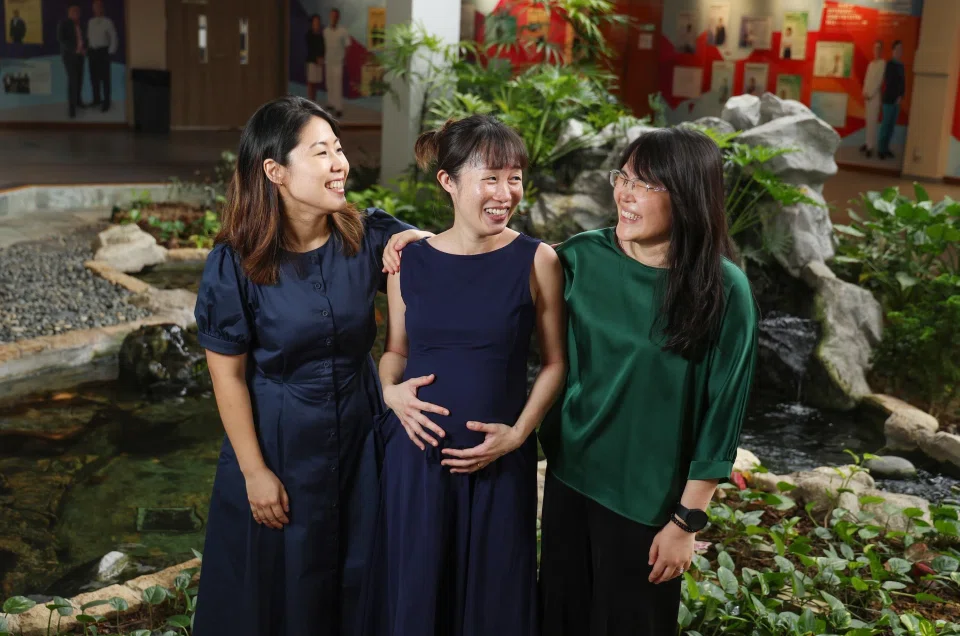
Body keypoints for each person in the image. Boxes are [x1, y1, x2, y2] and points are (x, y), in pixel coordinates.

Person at [191, 96, 432, 636]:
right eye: (321, 152)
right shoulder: (234, 262)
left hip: (360, 442)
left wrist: (416, 240)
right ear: (274, 171)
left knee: (358, 579)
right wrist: (255, 472)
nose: (340, 163)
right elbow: (226, 375)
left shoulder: (366, 236)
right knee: (277, 590)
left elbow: (432, 269)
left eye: (339, 149)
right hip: (279, 447)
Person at [538, 127, 758, 635]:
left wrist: (686, 522)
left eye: (646, 185)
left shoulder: (724, 290)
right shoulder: (580, 257)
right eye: (624, 178)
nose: (625, 194)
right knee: (559, 617)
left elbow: (721, 416)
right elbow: (489, 263)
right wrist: (410, 239)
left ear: (686, 196)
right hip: (572, 476)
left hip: (648, 499)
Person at [361, 115, 566, 635]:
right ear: (448, 183)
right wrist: (390, 393)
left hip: (498, 461)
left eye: (514, 176)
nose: (505, 193)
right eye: (490, 178)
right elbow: (396, 352)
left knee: (494, 598)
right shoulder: (409, 259)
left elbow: (555, 362)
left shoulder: (537, 259)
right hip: (417, 454)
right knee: (417, 592)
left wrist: (519, 435)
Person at [87, 0, 118, 112]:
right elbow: (89, 37)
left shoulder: (107, 22)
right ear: (93, 8)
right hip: (92, 53)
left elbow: (113, 37)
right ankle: (96, 100)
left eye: (99, 6)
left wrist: (110, 52)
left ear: (102, 8)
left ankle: (107, 102)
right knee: (94, 78)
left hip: (103, 52)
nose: (96, 8)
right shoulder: (90, 22)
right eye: (95, 6)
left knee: (105, 79)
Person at [57, 3, 86, 118]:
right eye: (73, 12)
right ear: (69, 13)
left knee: (80, 79)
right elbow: (61, 39)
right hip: (69, 56)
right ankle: (72, 108)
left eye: (77, 12)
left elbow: (85, 39)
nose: (76, 14)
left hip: (80, 56)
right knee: (73, 80)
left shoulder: (81, 25)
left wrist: (85, 49)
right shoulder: (63, 23)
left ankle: (78, 101)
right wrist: (75, 49)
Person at [878, 40, 905, 160]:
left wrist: (901, 96)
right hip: (889, 100)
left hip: (897, 101)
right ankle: (881, 149)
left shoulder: (901, 65)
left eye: (901, 49)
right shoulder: (889, 65)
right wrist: (895, 97)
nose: (899, 52)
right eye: (897, 49)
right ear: (893, 51)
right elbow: (890, 83)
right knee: (886, 125)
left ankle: (886, 148)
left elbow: (903, 83)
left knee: (891, 127)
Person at [323, 8, 351, 118]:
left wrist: (345, 58)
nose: (333, 18)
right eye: (332, 16)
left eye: (335, 16)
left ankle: (339, 108)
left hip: (338, 62)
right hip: (328, 61)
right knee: (329, 84)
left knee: (337, 85)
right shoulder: (325, 31)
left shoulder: (343, 31)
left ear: (338, 18)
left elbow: (348, 45)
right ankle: (330, 104)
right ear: (330, 17)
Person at [861, 40, 886, 159]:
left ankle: (871, 147)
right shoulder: (871, 64)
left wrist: (870, 93)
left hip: (874, 97)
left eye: (879, 48)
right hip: (867, 97)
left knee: (872, 122)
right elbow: (867, 79)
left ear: (881, 50)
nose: (876, 50)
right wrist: (864, 92)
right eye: (875, 48)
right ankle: (867, 143)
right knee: (867, 121)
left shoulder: (882, 64)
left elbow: (879, 81)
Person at [306, 14, 325, 102]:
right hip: (311, 61)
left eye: (318, 22)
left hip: (319, 62)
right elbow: (310, 48)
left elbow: (323, 48)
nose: (316, 23)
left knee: (316, 83)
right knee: (311, 83)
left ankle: (314, 101)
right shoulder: (309, 34)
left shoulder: (321, 36)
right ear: (312, 23)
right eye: (315, 22)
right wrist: (315, 58)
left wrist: (322, 58)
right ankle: (310, 101)